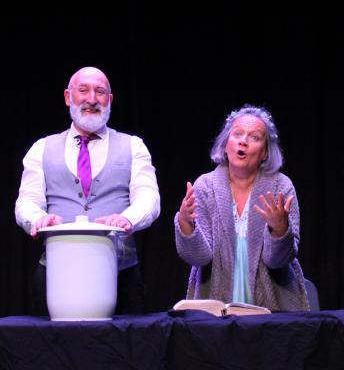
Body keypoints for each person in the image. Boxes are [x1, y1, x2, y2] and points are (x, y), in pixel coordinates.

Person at [15, 66, 160, 315]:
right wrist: (38, 218)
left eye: (99, 92)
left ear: (109, 100)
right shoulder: (41, 148)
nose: (92, 99)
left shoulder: (133, 146)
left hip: (121, 276)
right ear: (67, 97)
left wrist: (128, 218)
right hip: (56, 273)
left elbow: (149, 197)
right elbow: (26, 200)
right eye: (83, 90)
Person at [175, 104, 309, 311]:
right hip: (215, 303)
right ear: (225, 144)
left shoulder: (281, 187)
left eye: (254, 137)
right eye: (237, 134)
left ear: (265, 153)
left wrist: (280, 230)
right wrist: (186, 224)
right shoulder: (205, 186)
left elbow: (278, 261)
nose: (243, 141)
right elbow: (198, 258)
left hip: (274, 304)